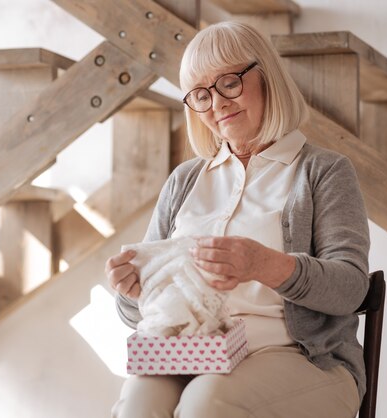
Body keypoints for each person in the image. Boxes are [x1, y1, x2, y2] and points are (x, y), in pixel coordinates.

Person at [105, 21, 370, 418]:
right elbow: (138, 313)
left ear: (267, 77)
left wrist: (262, 264)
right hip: (193, 355)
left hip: (304, 358)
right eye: (200, 94)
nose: (217, 104)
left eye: (229, 83)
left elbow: (350, 288)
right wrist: (131, 290)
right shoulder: (185, 180)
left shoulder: (323, 170)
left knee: (206, 406)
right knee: (137, 405)